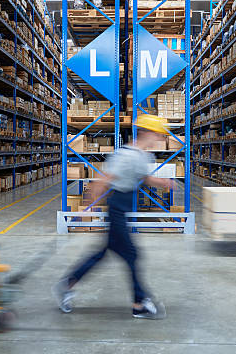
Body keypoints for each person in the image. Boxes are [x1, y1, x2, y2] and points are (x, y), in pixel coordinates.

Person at [53, 114, 173, 319]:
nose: (160, 139)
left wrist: (162, 183)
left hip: (122, 207)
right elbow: (105, 178)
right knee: (132, 254)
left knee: (103, 254)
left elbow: (143, 177)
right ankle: (139, 303)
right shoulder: (127, 155)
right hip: (117, 208)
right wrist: (89, 202)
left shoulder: (142, 155)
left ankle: (68, 284)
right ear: (147, 133)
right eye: (158, 135)